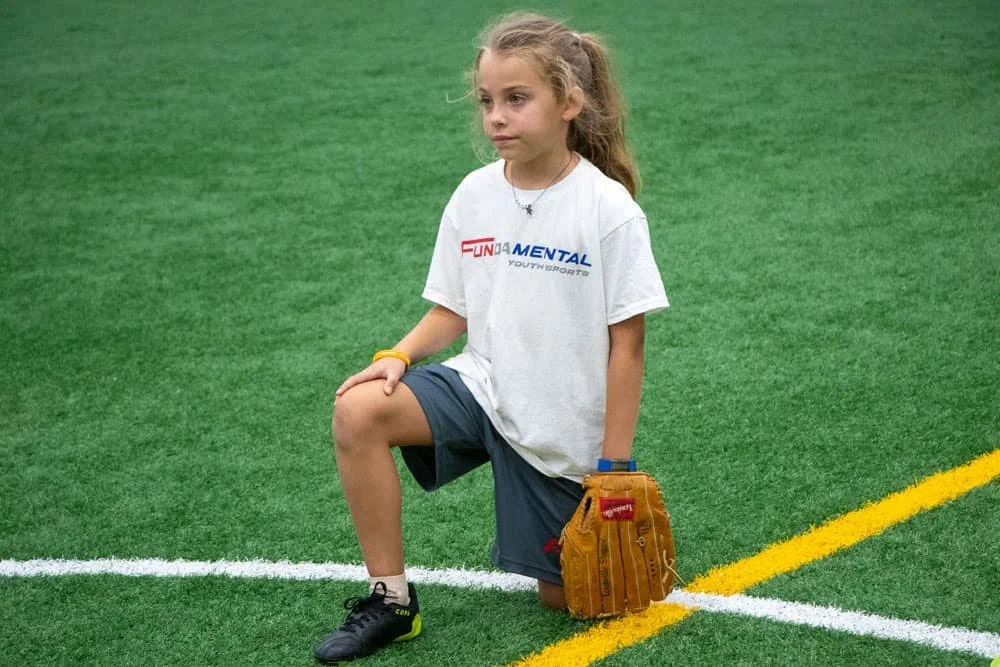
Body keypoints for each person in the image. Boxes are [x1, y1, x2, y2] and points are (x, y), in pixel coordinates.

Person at [313, 11, 669, 664]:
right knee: (357, 411)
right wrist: (398, 355)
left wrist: (615, 468)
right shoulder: (474, 196)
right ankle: (391, 601)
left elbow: (629, 345)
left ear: (569, 103)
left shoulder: (607, 209)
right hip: (481, 387)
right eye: (487, 101)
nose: (496, 117)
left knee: (571, 598)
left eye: (516, 99)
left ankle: (560, 522)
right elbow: (453, 308)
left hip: (560, 429)